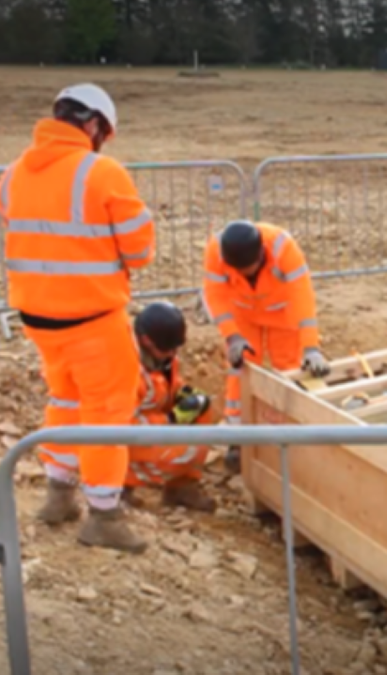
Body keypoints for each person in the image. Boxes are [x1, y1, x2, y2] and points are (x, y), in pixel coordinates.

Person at [0, 83, 156, 553]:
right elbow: (140, 250)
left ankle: (59, 492)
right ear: (94, 126)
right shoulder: (102, 172)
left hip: (39, 319)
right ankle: (104, 515)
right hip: (92, 317)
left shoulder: (11, 175)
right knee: (106, 412)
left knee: (65, 399)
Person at [201, 220, 330, 474]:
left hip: (282, 314)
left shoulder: (283, 248)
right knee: (241, 372)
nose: (246, 276)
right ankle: (238, 440)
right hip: (243, 315)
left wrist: (311, 347)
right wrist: (232, 337)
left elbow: (303, 296)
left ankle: (296, 437)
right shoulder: (216, 251)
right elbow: (214, 296)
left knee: (291, 369)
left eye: (249, 270)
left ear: (261, 255)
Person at [121, 301, 218, 513]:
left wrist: (182, 394)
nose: (173, 354)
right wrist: (171, 420)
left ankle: (180, 488)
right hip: (126, 440)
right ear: (146, 341)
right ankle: (121, 484)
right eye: (169, 349)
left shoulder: (162, 355)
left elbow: (168, 384)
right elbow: (123, 424)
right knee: (189, 449)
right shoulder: (125, 369)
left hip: (154, 426)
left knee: (203, 410)